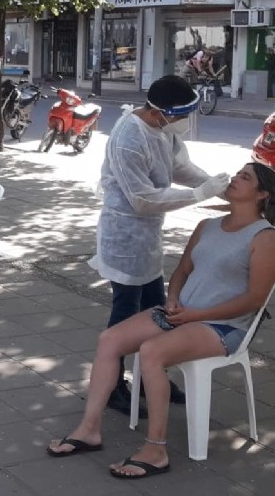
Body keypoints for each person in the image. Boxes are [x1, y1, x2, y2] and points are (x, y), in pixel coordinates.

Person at [48, 162, 275, 479]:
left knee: (152, 351)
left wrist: (197, 314)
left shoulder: (264, 238)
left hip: (224, 326)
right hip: (183, 312)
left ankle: (156, 450)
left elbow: (252, 300)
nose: (235, 178)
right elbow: (182, 271)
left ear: (262, 194)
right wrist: (172, 299)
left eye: (245, 177)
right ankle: (89, 429)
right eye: (237, 173)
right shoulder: (207, 225)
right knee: (109, 340)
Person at [89, 74, 230, 417]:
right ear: (159, 113)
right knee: (125, 312)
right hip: (124, 235)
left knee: (156, 307)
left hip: (148, 236)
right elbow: (141, 199)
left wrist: (218, 188)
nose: (183, 123)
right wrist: (199, 196)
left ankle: (153, 376)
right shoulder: (127, 137)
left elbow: (181, 168)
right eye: (180, 117)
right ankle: (112, 386)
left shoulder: (163, 130)